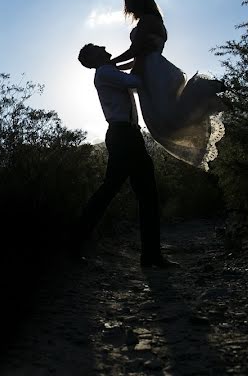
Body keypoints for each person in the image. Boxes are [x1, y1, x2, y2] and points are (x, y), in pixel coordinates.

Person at [73, 43, 178, 268]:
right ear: (92, 57)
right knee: (138, 193)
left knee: (127, 192)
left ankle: (149, 256)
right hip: (124, 137)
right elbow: (136, 82)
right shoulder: (105, 72)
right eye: (97, 47)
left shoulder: (108, 71)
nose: (103, 46)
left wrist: (141, 57)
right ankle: (149, 256)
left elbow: (130, 70)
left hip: (127, 136)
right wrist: (144, 58)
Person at [111, 0, 226, 171]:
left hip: (154, 72)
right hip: (152, 70)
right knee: (161, 122)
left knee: (164, 120)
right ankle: (206, 97)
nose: (128, 9)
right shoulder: (153, 21)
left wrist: (108, 62)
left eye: (129, 4)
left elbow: (135, 51)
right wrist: (114, 66)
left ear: (137, 3)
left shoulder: (147, 21)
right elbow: (138, 56)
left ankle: (206, 91)